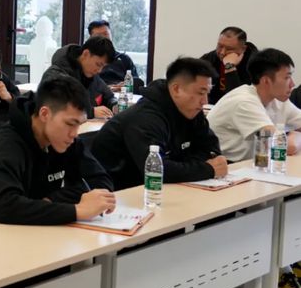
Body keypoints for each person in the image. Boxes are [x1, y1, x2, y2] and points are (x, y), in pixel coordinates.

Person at [0, 75, 115, 226]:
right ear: (44, 114)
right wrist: (77, 210)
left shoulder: (65, 139)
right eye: (70, 124)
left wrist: (51, 201)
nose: (74, 133)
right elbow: (5, 207)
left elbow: (100, 181)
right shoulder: (5, 145)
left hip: (31, 228)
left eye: (79, 124)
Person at [91, 57, 227, 190]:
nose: (205, 101)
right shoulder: (145, 118)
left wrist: (188, 167)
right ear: (176, 89)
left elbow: (211, 150)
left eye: (207, 93)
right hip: (120, 192)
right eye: (200, 93)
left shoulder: (192, 111)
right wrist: (206, 169)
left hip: (164, 189)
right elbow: (156, 170)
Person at [207, 48, 301, 162]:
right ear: (266, 81)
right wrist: (296, 135)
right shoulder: (244, 102)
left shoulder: (277, 99)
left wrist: (293, 135)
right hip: (226, 166)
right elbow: (286, 146)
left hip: (253, 164)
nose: (292, 84)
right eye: (287, 78)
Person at [42, 36, 117, 119]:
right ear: (86, 54)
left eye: (103, 67)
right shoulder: (56, 74)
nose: (99, 70)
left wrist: (114, 105)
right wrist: (91, 112)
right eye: (98, 64)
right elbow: (55, 108)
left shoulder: (91, 75)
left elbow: (109, 96)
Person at [200, 26, 258, 104]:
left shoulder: (255, 65)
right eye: (220, 46)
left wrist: (229, 66)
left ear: (243, 49)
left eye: (229, 49)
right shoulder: (210, 58)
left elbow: (237, 99)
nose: (222, 52)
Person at [88, 20, 144, 92]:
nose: (103, 38)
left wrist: (125, 86)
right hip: (99, 94)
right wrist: (107, 88)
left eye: (105, 34)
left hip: (123, 94)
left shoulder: (124, 58)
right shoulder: (88, 59)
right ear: (91, 38)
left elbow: (137, 83)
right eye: (98, 35)